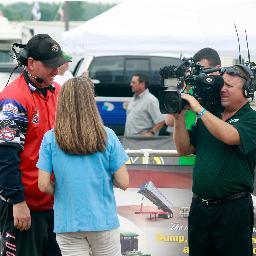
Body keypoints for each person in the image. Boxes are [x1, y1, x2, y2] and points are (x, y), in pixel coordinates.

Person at [36, 76, 129, 256]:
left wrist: (63, 189)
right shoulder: (107, 135)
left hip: (68, 223)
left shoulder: (50, 138)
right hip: (103, 222)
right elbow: (124, 182)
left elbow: (43, 185)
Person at [173, 64, 256, 256]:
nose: (223, 89)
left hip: (233, 209)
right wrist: (179, 118)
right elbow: (184, 150)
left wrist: (200, 109)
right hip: (200, 209)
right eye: (221, 84)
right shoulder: (210, 115)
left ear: (247, 91)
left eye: (229, 86)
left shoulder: (251, 118)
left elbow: (230, 136)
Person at [0, 34, 71, 256]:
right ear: (30, 63)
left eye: (57, 65)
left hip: (54, 205)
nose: (55, 70)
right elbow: (6, 157)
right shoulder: (14, 99)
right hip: (24, 207)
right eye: (50, 66)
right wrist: (18, 202)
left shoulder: (57, 92)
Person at [165, 47, 221, 164]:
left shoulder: (225, 94)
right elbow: (169, 121)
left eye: (203, 71)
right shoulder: (189, 91)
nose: (199, 76)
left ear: (217, 69)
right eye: (196, 72)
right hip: (187, 158)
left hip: (213, 161)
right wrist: (182, 87)